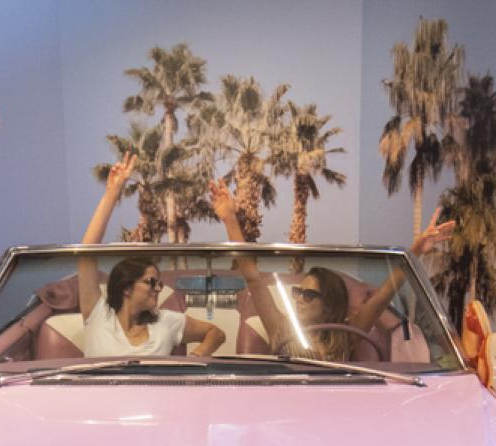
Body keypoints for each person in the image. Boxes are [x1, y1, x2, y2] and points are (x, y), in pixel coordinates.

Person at [208, 179, 451, 362]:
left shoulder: (345, 335)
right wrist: (230, 218)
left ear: (330, 304)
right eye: (298, 292)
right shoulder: (281, 329)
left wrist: (415, 250)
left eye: (309, 295)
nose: (299, 300)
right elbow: (253, 278)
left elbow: (381, 298)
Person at [77, 155, 225, 359]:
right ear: (126, 287)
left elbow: (216, 333)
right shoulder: (98, 314)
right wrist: (112, 194)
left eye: (159, 284)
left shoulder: (166, 321)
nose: (158, 289)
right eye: (151, 282)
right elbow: (86, 254)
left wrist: (196, 357)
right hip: (97, 391)